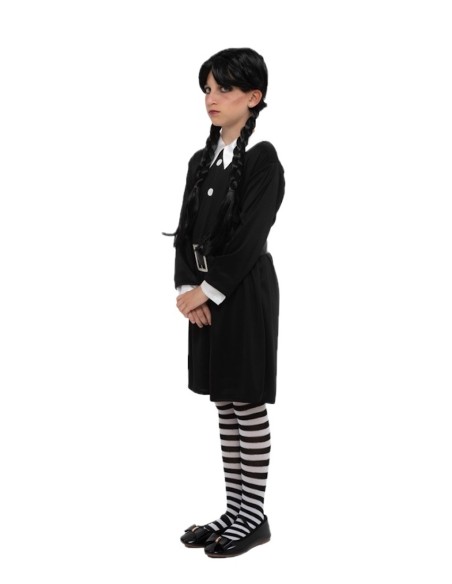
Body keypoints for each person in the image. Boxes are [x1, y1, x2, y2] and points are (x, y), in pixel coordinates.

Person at [168, 47, 285, 558]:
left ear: (253, 97)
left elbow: (248, 239)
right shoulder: (200, 162)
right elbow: (184, 232)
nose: (212, 98)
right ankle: (235, 509)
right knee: (225, 402)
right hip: (204, 296)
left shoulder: (262, 160)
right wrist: (185, 291)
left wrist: (207, 289)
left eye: (225, 89)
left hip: (242, 293)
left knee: (247, 401)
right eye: (208, 89)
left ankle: (253, 515)